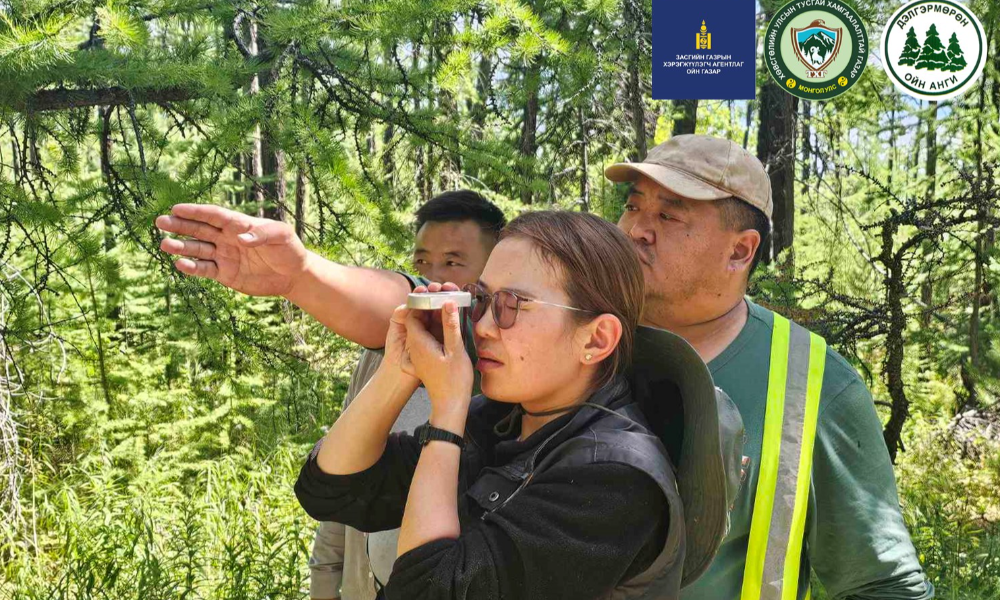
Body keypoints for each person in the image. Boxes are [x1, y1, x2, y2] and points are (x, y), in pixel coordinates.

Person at [157, 134, 933, 599]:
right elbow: (415, 304)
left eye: (671, 216)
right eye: (632, 208)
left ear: (741, 249)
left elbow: (877, 574)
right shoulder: (547, 344)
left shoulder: (809, 382)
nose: (637, 230)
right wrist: (300, 275)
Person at [294, 211, 736, 599]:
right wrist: (398, 369)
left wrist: (448, 414)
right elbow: (331, 488)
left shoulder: (615, 480)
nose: (483, 325)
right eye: (482, 300)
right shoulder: (503, 420)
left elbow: (427, 589)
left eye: (511, 305)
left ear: (596, 339)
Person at [309, 190, 504, 600]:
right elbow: (341, 481)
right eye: (421, 263)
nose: (434, 281)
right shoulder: (385, 355)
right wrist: (326, 583)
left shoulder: (504, 379)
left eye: (453, 262)